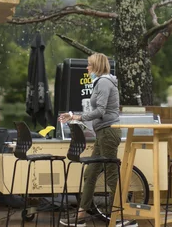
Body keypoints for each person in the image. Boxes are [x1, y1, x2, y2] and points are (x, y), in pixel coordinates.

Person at [58, 53, 136, 227]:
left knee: (111, 175)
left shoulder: (104, 82)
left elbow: (100, 111)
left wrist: (77, 117)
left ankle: (126, 217)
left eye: (89, 65)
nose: (87, 68)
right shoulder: (102, 82)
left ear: (97, 66)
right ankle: (81, 216)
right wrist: (73, 115)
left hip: (108, 133)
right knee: (90, 174)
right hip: (103, 133)